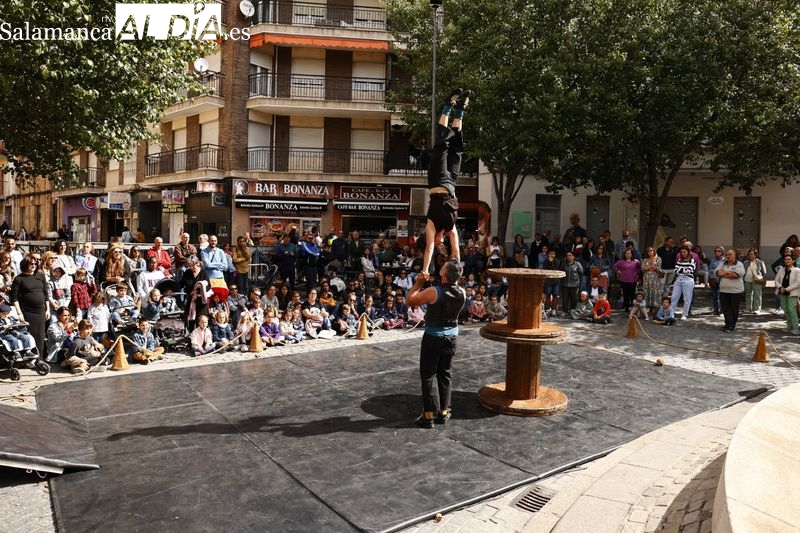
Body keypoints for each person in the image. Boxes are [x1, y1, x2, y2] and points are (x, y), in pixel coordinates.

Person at [406, 260, 466, 429]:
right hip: (452, 338)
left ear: (443, 273)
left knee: (428, 375)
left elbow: (410, 300)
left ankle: (428, 416)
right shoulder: (463, 292)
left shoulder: (434, 291)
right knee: (445, 374)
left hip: (433, 337)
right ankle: (444, 412)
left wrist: (419, 283)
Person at [421, 88, 471, 275]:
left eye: (438, 244)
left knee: (442, 146)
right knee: (457, 148)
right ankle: (460, 109)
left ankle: (447, 106)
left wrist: (425, 270)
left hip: (437, 179)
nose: (440, 244)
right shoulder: (451, 227)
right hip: (451, 184)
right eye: (441, 245)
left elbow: (428, 249)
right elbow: (456, 251)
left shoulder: (431, 224)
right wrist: (457, 272)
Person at [716, 249, 745, 332]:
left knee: (734, 309)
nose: (727, 256)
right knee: (725, 309)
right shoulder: (722, 263)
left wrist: (724, 274)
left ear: (735, 255)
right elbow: (717, 273)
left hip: (736, 291)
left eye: (729, 254)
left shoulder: (739, 265)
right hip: (723, 290)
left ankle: (731, 325)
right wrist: (728, 273)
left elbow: (735, 275)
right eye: (726, 254)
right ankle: (728, 324)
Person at [774, 254, 800, 335]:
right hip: (782, 292)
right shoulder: (781, 270)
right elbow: (776, 280)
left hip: (793, 293)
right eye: (785, 259)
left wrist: (786, 289)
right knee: (786, 309)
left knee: (791, 309)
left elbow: (797, 283)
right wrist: (780, 287)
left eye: (789, 259)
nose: (787, 261)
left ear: (793, 261)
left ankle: (795, 327)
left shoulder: (797, 270)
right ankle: (789, 326)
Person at [669, 247, 695, 320]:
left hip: (688, 280)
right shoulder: (679, 260)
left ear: (688, 252)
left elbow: (689, 270)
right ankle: (671, 313)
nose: (683, 253)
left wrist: (681, 270)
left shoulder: (692, 260)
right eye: (682, 252)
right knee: (674, 297)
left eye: (684, 252)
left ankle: (684, 314)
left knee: (687, 298)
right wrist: (683, 270)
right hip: (679, 279)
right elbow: (675, 270)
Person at [743, 248, 767, 314]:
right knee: (748, 294)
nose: (750, 256)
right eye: (749, 254)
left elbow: (764, 272)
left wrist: (764, 282)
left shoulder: (760, 262)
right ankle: (748, 308)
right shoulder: (745, 262)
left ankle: (757, 309)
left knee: (757, 295)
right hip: (747, 280)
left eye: (751, 254)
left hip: (757, 280)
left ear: (755, 255)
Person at [708, 247, 726, 315]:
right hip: (714, 280)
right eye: (715, 251)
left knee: (721, 296)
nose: (717, 252)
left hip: (722, 281)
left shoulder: (725, 261)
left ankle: (722, 310)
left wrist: (717, 271)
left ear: (722, 252)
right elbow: (710, 270)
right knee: (715, 296)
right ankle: (716, 310)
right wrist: (717, 272)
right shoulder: (713, 261)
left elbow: (725, 270)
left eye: (719, 251)